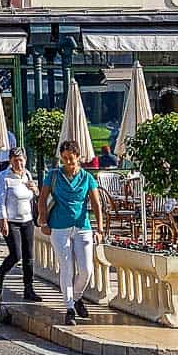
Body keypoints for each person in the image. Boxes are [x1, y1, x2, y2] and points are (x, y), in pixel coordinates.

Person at [38, 139, 102, 327]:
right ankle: (69, 308)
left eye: (71, 159)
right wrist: (43, 221)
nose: (67, 162)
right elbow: (42, 200)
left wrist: (99, 228)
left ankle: (76, 296)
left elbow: (97, 204)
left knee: (86, 270)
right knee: (66, 268)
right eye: (64, 158)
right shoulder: (53, 175)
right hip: (59, 227)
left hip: (83, 227)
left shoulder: (87, 178)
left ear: (78, 158)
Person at [0, 147, 42, 302]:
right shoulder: (4, 176)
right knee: (16, 254)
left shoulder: (27, 174)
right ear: (10, 161)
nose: (19, 163)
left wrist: (35, 190)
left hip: (27, 220)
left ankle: (28, 288)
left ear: (25, 160)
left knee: (29, 257)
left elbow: (35, 196)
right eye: (15, 160)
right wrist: (3, 220)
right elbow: (0, 200)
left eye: (21, 160)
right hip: (12, 221)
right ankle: (0, 273)